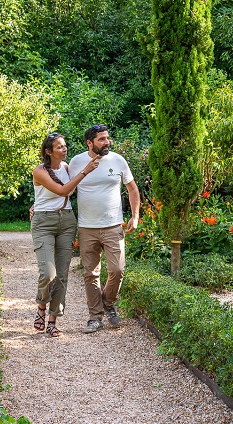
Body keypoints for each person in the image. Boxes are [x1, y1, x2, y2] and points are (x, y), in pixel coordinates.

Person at [69, 124, 140, 333]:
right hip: (87, 227)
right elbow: (65, 189)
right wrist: (40, 203)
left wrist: (135, 217)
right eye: (101, 139)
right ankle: (95, 317)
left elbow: (133, 189)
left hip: (112, 226)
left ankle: (108, 303)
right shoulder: (76, 162)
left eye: (107, 138)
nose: (107, 142)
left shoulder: (118, 160)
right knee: (90, 274)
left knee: (117, 270)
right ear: (89, 143)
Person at [31, 132, 100, 337]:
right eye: (59, 147)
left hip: (67, 221)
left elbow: (74, 189)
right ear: (48, 151)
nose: (64, 149)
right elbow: (62, 191)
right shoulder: (39, 171)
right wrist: (85, 171)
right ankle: (41, 307)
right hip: (44, 222)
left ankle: (52, 320)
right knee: (48, 274)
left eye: (65, 146)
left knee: (61, 275)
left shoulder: (68, 167)